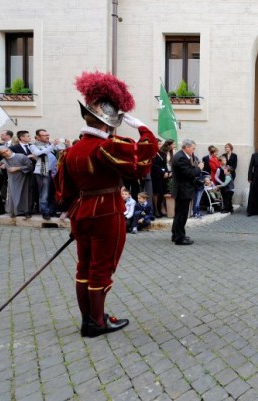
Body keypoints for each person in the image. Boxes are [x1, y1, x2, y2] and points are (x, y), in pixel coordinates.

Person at [54, 70, 158, 338]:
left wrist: (75, 216)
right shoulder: (106, 146)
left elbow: (64, 191)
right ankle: (97, 323)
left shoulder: (69, 151)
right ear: (106, 124)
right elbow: (145, 154)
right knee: (101, 268)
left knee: (83, 267)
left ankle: (88, 319)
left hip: (81, 213)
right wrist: (142, 127)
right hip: (107, 213)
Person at [171, 139, 203, 245]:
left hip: (183, 189)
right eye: (193, 148)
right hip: (183, 190)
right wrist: (199, 168)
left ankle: (176, 234)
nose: (194, 151)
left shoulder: (183, 156)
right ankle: (179, 238)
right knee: (182, 215)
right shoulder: (181, 158)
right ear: (187, 147)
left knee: (179, 214)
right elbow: (189, 173)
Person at [0, 146, 33, 218]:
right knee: (13, 196)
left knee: (25, 195)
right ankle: (15, 211)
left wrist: (18, 168)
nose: (6, 153)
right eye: (3, 153)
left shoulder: (21, 156)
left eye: (6, 151)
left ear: (9, 150)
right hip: (11, 180)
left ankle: (26, 211)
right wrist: (2, 168)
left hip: (24, 179)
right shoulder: (4, 160)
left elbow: (30, 166)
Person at [30, 128, 58, 220]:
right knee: (44, 193)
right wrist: (53, 145)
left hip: (53, 172)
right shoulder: (33, 146)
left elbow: (60, 149)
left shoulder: (49, 145)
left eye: (48, 135)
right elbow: (39, 154)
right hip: (42, 172)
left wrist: (67, 144)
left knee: (53, 192)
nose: (47, 137)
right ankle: (45, 212)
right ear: (38, 137)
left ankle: (52, 211)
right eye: (45, 135)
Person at [151, 139, 174, 218]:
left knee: (161, 192)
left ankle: (160, 208)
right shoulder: (153, 154)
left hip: (163, 176)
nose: (160, 145)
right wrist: (162, 173)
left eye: (160, 144)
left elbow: (164, 165)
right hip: (156, 176)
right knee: (156, 192)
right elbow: (154, 166)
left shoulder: (161, 153)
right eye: (158, 144)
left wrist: (166, 172)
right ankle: (156, 211)